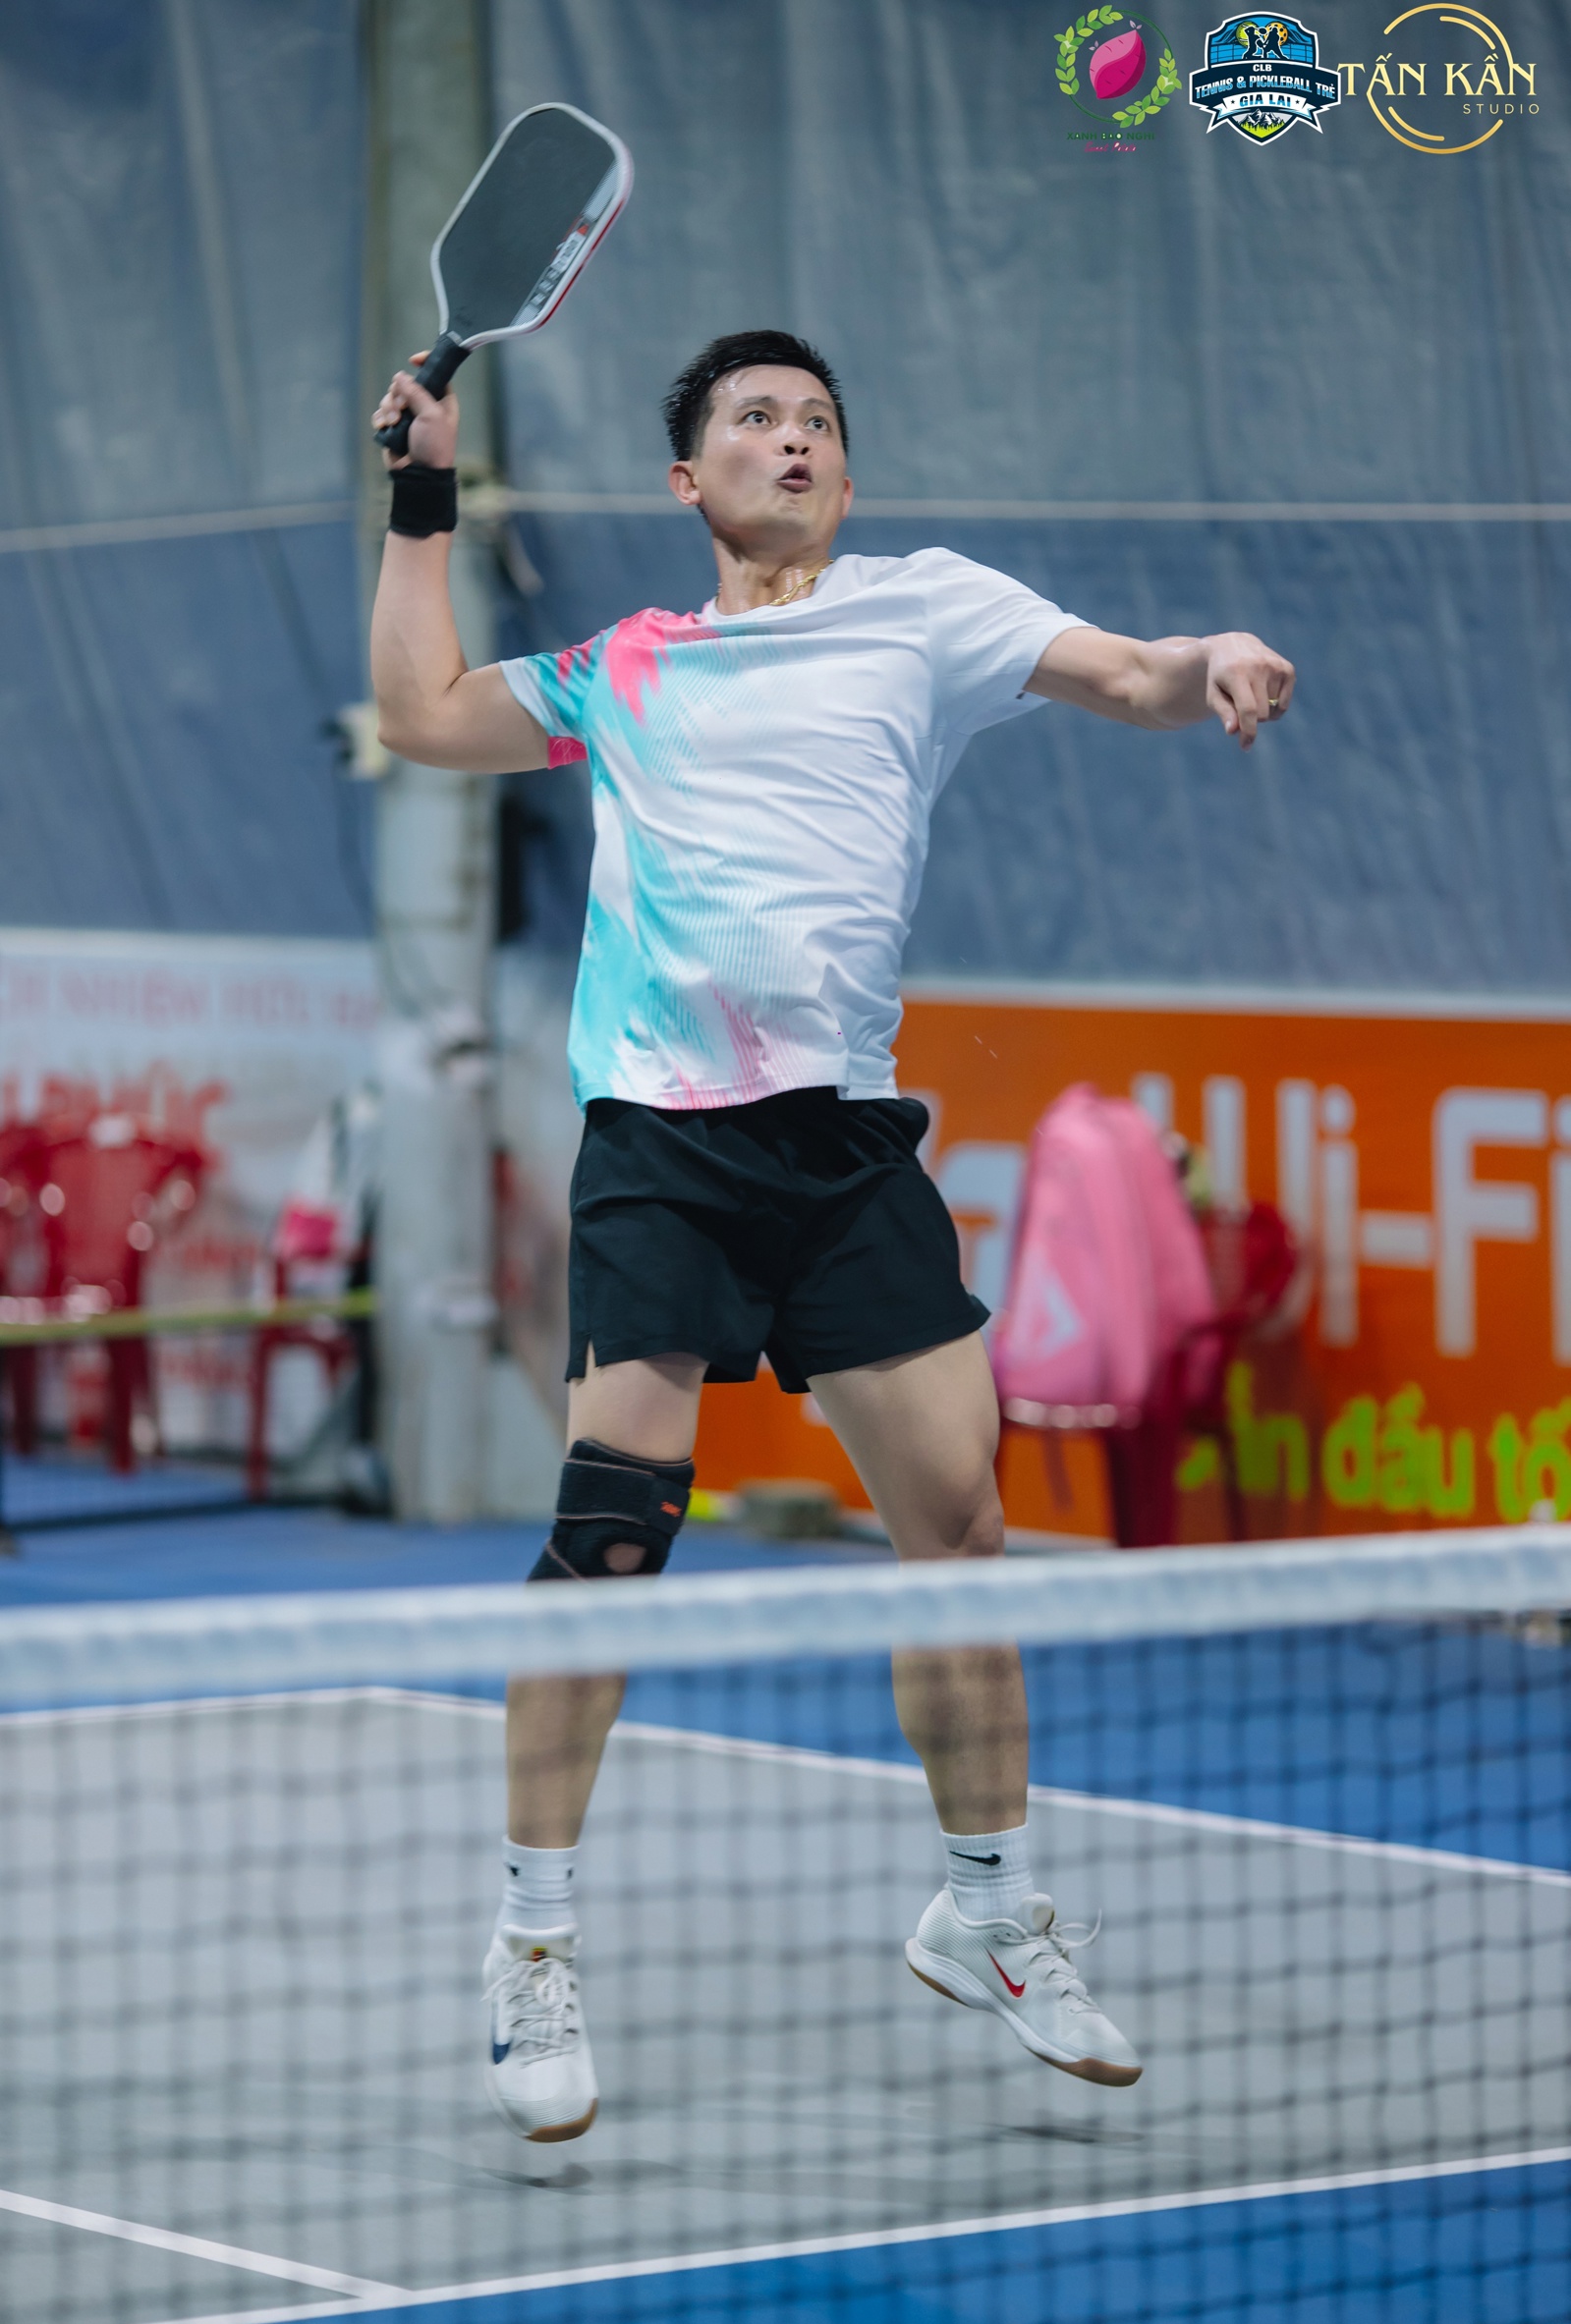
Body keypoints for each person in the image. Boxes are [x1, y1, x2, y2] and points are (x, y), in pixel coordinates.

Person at [369, 328, 1295, 2144]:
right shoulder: (627, 665)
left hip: (846, 1147)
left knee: (960, 1536)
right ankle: (533, 1940)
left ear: (847, 479)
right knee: (611, 1539)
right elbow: (422, 713)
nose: (788, 439)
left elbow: (1130, 673)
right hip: (661, 1139)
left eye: (815, 423)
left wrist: (1217, 661)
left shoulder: (924, 610)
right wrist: (419, 503)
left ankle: (988, 1907)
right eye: (751, 420)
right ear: (687, 481)